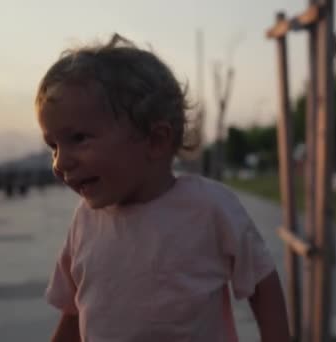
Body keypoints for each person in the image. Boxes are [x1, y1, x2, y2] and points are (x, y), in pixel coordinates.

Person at [36, 33, 290, 342]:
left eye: (78, 139)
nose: (61, 163)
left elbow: (262, 281)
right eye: (53, 146)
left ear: (156, 140)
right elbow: (75, 311)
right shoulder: (84, 222)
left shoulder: (209, 207)